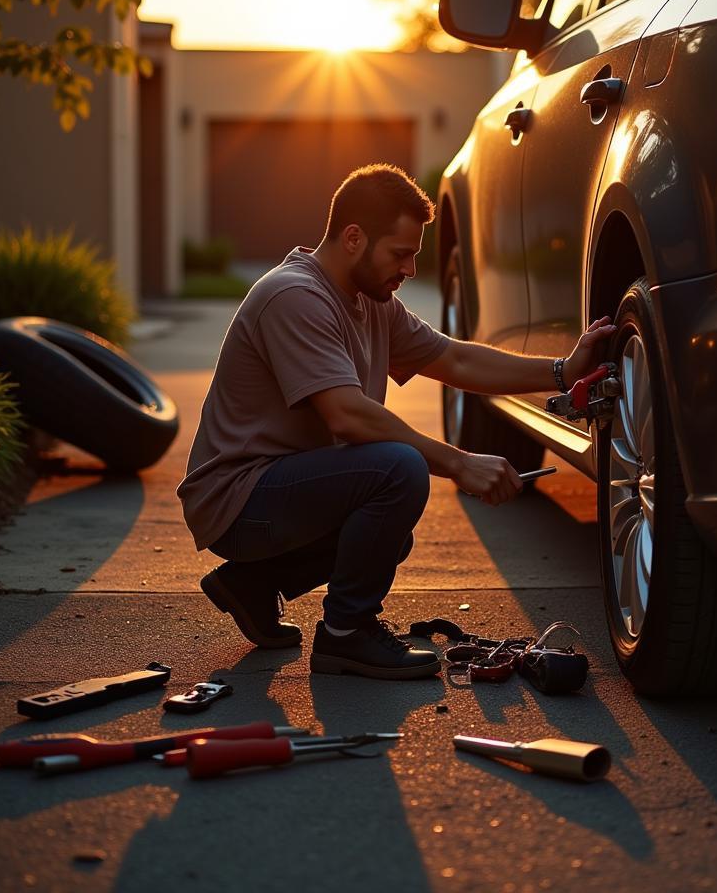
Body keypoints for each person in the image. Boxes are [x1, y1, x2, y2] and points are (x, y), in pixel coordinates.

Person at [176, 163, 615, 680]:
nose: (409, 270)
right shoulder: (296, 296)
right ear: (354, 237)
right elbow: (346, 413)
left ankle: (251, 584)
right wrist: (457, 462)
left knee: (386, 534)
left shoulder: (371, 299)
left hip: (277, 488)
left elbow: (456, 361)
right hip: (237, 498)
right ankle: (345, 635)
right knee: (397, 471)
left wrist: (563, 372)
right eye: (400, 254)